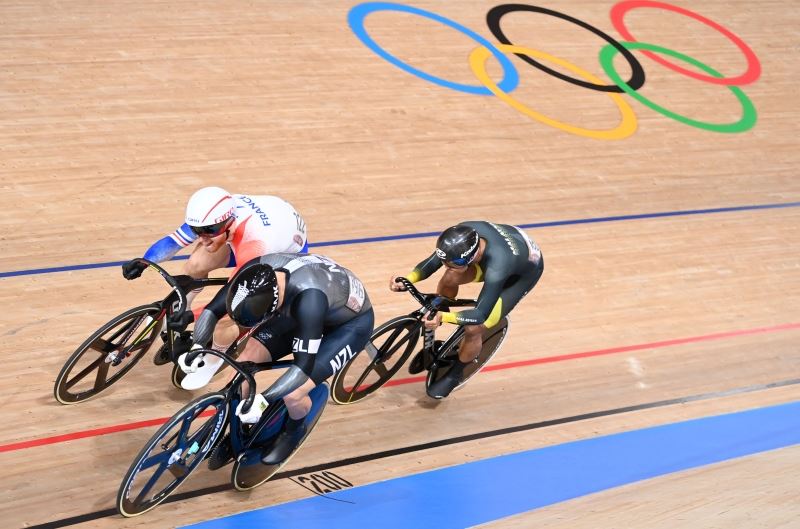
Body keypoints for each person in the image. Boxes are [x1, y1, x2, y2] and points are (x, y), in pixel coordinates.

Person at [179, 252, 374, 466]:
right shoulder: (254, 273)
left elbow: (301, 367)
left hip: (348, 326)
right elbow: (212, 311)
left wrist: (264, 400)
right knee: (245, 361)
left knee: (293, 394)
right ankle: (233, 425)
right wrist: (197, 346)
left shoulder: (309, 301)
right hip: (301, 303)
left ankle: (293, 431)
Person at [120, 186, 308, 387]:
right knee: (195, 264)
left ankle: (214, 358)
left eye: (208, 231)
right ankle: (183, 306)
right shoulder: (211, 217)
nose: (202, 238)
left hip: (282, 253)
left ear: (228, 222)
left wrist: (194, 317)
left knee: (227, 316)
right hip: (258, 226)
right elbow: (175, 241)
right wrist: (144, 261)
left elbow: (231, 297)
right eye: (197, 231)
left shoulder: (256, 243)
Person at [390, 221, 543, 399]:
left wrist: (445, 317)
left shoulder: (498, 265)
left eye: (452, 262)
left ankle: (456, 373)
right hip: (504, 249)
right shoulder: (461, 238)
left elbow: (479, 315)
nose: (446, 265)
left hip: (520, 274)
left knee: (474, 328)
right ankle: (444, 303)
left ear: (470, 257)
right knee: (450, 275)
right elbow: (433, 263)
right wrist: (408, 279)